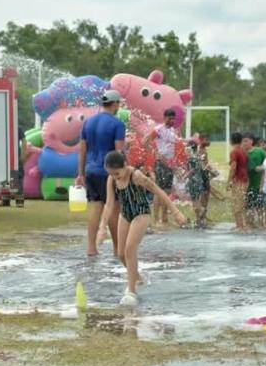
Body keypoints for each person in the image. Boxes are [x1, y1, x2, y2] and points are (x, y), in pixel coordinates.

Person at [101, 151, 186, 305]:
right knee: (120, 254)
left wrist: (175, 211)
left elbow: (158, 191)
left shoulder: (136, 176)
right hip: (125, 214)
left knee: (129, 249)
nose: (115, 177)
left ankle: (132, 291)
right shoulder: (111, 180)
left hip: (141, 213)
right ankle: (137, 277)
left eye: (117, 173)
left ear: (125, 165)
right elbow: (109, 205)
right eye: (111, 174)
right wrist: (102, 228)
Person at [76, 90, 126, 256]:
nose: (119, 106)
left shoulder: (88, 123)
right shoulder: (117, 124)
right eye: (118, 103)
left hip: (90, 171)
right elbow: (119, 152)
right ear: (114, 104)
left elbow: (82, 151)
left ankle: (91, 248)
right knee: (113, 209)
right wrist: (125, 173)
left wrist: (80, 174)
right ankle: (117, 248)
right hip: (109, 173)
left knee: (96, 207)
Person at [144, 108, 180, 227]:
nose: (172, 121)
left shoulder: (172, 130)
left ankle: (164, 218)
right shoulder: (159, 129)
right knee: (159, 191)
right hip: (161, 163)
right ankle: (155, 218)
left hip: (170, 163)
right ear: (164, 118)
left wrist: (174, 163)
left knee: (167, 191)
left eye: (173, 118)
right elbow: (145, 141)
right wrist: (155, 152)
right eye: (170, 118)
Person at [228, 132, 249, 231]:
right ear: (241, 141)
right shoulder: (243, 151)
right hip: (244, 179)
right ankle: (241, 224)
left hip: (239, 180)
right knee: (240, 202)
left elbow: (233, 167)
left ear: (231, 141)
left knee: (237, 203)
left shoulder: (234, 152)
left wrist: (229, 181)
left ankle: (240, 226)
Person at [245, 133, 266, 227]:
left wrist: (262, 167)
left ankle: (262, 223)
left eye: (246, 141)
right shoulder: (241, 152)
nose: (244, 143)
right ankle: (250, 223)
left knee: (259, 205)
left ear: (251, 141)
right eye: (243, 141)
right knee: (248, 206)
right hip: (246, 184)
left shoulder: (259, 151)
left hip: (258, 183)